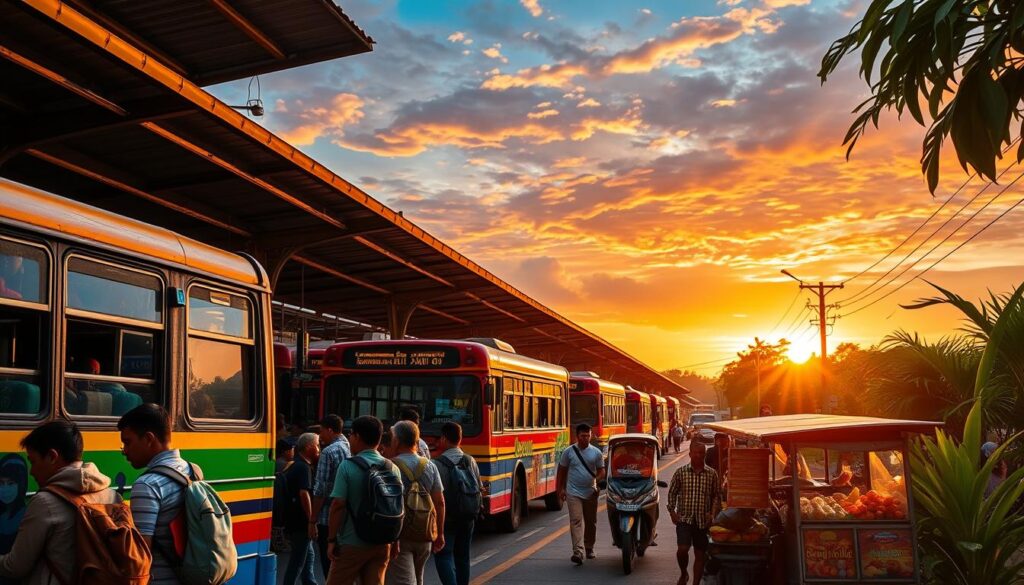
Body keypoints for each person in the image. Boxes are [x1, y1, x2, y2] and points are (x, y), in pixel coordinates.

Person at [0, 421, 121, 585]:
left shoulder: (44, 502)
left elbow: (16, 566)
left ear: (52, 457)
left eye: (33, 461)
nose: (32, 472)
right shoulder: (112, 496)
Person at [118, 403, 200, 585]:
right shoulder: (192, 470)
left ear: (149, 439)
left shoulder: (147, 485)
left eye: (127, 442)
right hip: (189, 577)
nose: (124, 451)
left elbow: (140, 553)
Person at [326, 415, 401, 585]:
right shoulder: (392, 467)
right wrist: (395, 540)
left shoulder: (348, 466)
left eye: (351, 434)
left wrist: (331, 540)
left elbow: (338, 505)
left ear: (358, 437)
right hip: (382, 544)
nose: (350, 439)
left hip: (352, 543)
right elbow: (396, 506)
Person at [386, 421, 446, 585]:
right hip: (425, 533)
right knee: (418, 579)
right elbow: (439, 501)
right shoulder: (430, 466)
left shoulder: (390, 466)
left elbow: (389, 504)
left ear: (397, 441)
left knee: (404, 581)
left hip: (401, 535)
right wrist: (439, 533)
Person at [432, 422, 481, 585]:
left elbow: (436, 496)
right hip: (468, 515)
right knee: (463, 556)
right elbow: (479, 487)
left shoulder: (436, 464)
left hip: (448, 518)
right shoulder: (470, 460)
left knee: (443, 555)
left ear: (444, 439)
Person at [668, 441, 721, 585]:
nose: (698, 456)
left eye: (701, 453)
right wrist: (672, 511)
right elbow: (672, 492)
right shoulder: (681, 472)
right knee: (682, 549)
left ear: (705, 454)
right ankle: (684, 573)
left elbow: (716, 495)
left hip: (702, 521)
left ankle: (695, 583)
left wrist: (712, 513)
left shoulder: (711, 474)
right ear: (690, 454)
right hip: (685, 519)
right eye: (696, 453)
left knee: (700, 554)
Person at [556, 423, 605, 565]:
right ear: (577, 436)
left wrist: (596, 479)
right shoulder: (568, 452)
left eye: (588, 436)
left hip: (590, 492)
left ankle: (589, 547)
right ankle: (578, 550)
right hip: (573, 492)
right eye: (583, 436)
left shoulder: (596, 453)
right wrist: (561, 489)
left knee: (591, 522)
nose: (585, 439)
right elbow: (562, 471)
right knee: (576, 521)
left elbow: (602, 471)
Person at [313, 414, 351, 578]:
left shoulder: (328, 452)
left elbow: (320, 489)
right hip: (348, 516)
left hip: (326, 516)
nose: (320, 436)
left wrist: (311, 519)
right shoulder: (350, 447)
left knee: (329, 562)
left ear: (329, 430)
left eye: (321, 431)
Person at [283, 433, 320, 585]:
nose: (319, 449)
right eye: (317, 445)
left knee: (308, 558)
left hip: (293, 520)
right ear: (309, 447)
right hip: (301, 522)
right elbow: (304, 494)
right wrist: (312, 520)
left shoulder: (294, 464)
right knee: (297, 562)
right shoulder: (303, 467)